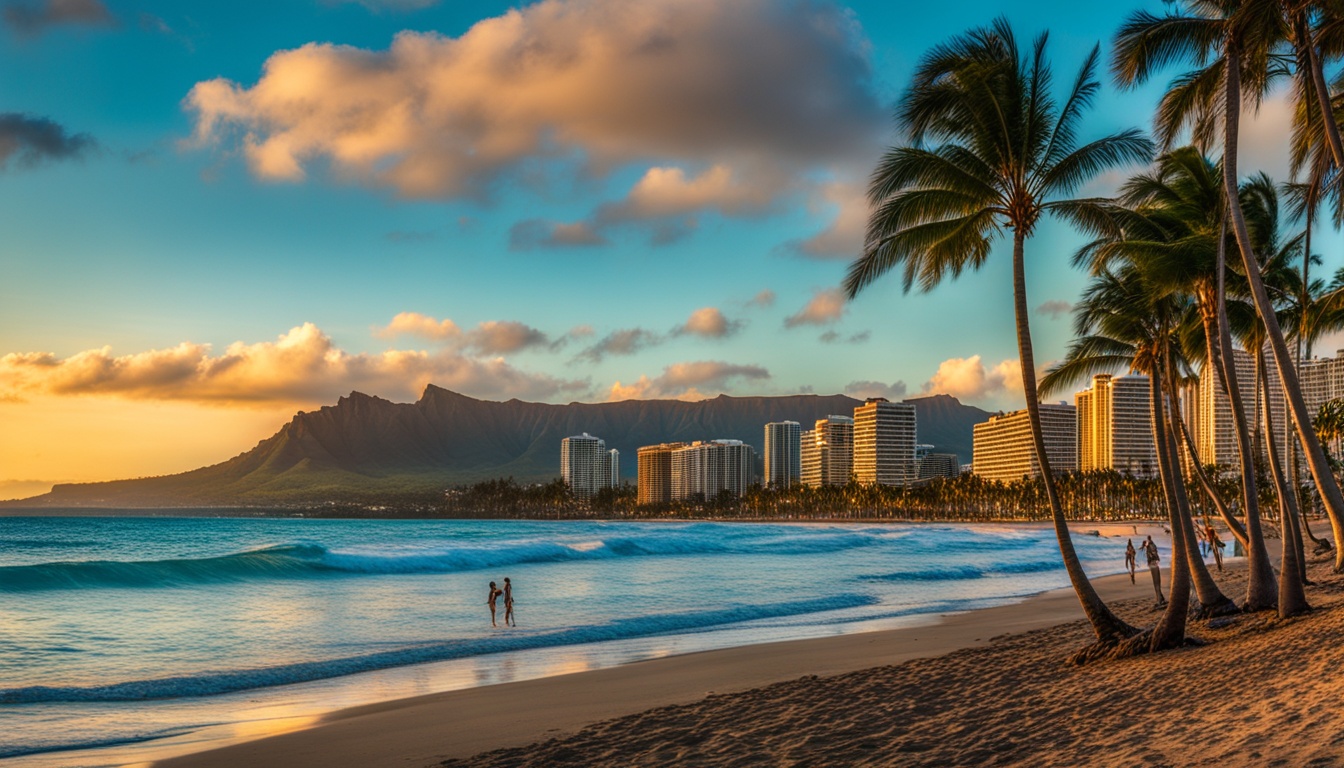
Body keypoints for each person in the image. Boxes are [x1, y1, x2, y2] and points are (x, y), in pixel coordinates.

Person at [1143, 535, 1166, 607]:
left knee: (1156, 583)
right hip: (1154, 563)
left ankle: (1159, 600)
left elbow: (1153, 554)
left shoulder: (1150, 546)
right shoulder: (1152, 545)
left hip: (1153, 564)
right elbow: (1155, 554)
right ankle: (1161, 598)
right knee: (1157, 582)